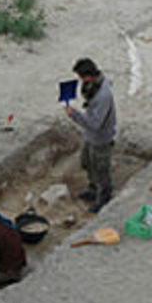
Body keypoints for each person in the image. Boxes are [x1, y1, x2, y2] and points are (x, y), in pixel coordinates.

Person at [64, 57, 117, 213]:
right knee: (87, 162)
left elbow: (95, 123)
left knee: (101, 168)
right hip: (90, 136)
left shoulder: (103, 96)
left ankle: (104, 197)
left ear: (88, 76)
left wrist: (74, 115)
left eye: (80, 77)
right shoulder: (95, 83)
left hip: (101, 138)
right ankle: (93, 189)